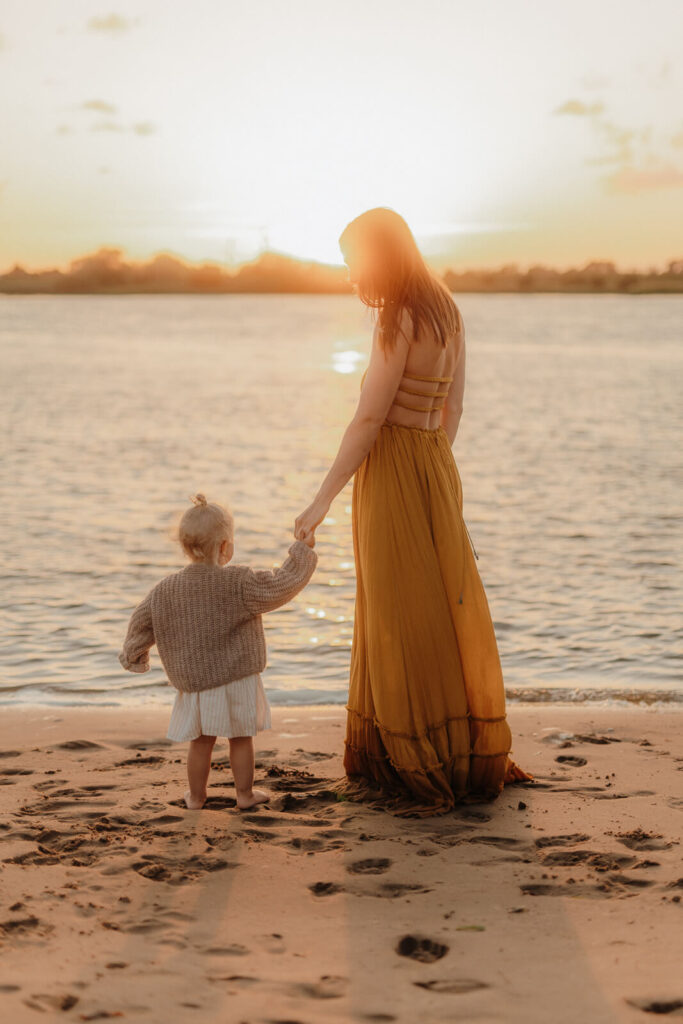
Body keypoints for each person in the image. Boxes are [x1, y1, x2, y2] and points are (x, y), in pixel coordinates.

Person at [294, 207, 534, 817]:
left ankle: (410, 754)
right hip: (434, 463)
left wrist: (322, 497)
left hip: (397, 467)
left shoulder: (396, 317)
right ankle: (459, 744)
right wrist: (433, 469)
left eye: (353, 261)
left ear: (379, 256)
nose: (350, 274)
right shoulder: (448, 311)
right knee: (441, 607)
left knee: (398, 611)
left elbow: (370, 418)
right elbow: (453, 409)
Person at [118, 493, 317, 811]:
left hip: (197, 685)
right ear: (226, 546)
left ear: (185, 546)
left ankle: (196, 798)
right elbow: (282, 584)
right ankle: (244, 795)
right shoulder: (239, 582)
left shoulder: (165, 589)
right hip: (237, 679)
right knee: (240, 739)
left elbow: (142, 622)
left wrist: (134, 653)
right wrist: (302, 550)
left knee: (201, 742)